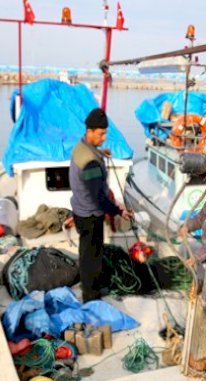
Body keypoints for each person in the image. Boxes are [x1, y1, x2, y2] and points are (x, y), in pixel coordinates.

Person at [70, 107, 132, 302]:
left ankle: (89, 286)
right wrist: (118, 211)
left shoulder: (81, 147)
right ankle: (91, 296)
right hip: (90, 214)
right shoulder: (91, 163)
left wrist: (100, 152)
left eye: (105, 133)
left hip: (80, 209)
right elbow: (99, 198)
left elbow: (90, 153)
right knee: (92, 256)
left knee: (86, 251)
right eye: (101, 134)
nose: (104, 137)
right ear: (90, 131)